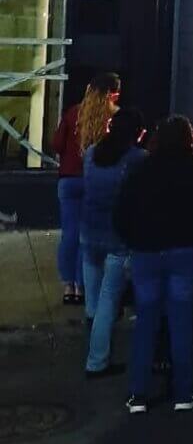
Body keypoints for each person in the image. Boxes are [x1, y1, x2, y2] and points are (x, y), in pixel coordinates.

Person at [114, 115, 193, 414]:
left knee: (146, 321)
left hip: (146, 252)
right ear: (188, 139)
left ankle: (138, 394)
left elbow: (122, 212)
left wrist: (132, 239)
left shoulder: (141, 169)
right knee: (181, 321)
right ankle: (184, 392)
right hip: (184, 250)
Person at [81, 108, 146, 378]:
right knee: (109, 301)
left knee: (94, 303)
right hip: (118, 238)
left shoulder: (92, 154)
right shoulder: (137, 159)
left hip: (89, 233)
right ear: (137, 134)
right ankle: (97, 361)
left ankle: (94, 346)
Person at [52, 73, 121, 305]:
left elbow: (56, 144)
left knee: (69, 234)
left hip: (68, 181)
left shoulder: (73, 112)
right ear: (112, 93)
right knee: (87, 235)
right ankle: (83, 286)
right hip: (95, 182)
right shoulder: (113, 117)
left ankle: (68, 286)